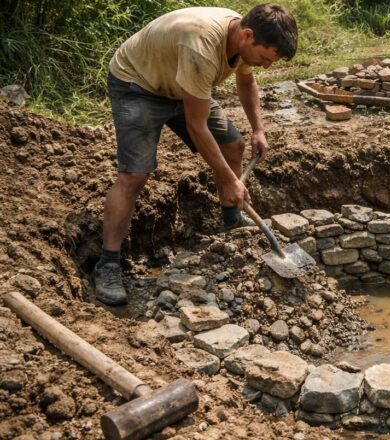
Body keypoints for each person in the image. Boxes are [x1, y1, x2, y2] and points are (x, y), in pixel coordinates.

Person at [94, 4, 298, 306]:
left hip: (183, 85)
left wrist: (259, 129)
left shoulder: (242, 40)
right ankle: (108, 263)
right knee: (135, 175)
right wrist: (229, 180)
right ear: (247, 35)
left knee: (233, 145)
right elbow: (197, 125)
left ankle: (231, 220)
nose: (266, 66)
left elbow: (246, 80)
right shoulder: (202, 44)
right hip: (138, 84)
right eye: (266, 58)